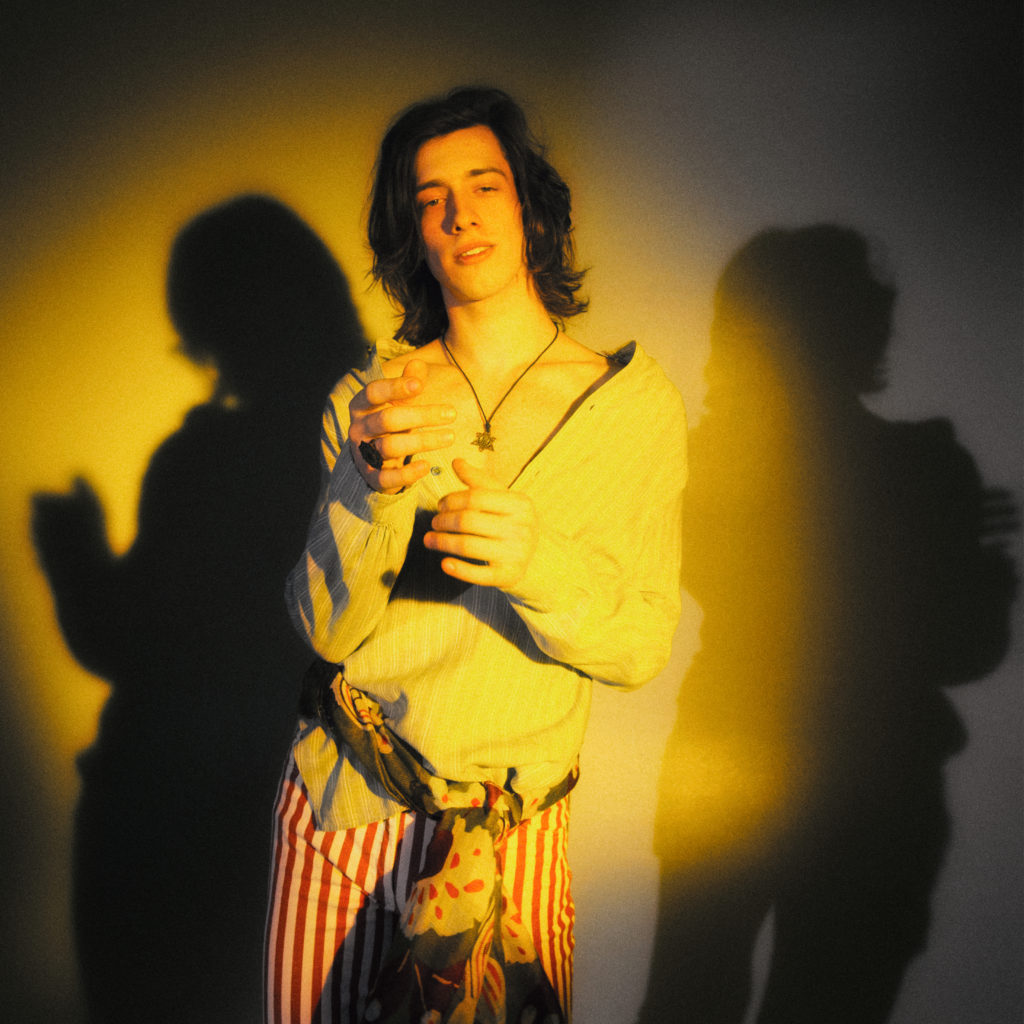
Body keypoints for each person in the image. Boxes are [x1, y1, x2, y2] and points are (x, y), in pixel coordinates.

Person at [264, 86, 688, 1024]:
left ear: (529, 206)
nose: (460, 214)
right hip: (343, 810)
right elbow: (325, 629)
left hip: (510, 835)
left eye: (484, 185)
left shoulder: (630, 407)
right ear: (413, 235)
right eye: (431, 199)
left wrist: (536, 562)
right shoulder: (372, 400)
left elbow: (639, 645)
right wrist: (370, 487)